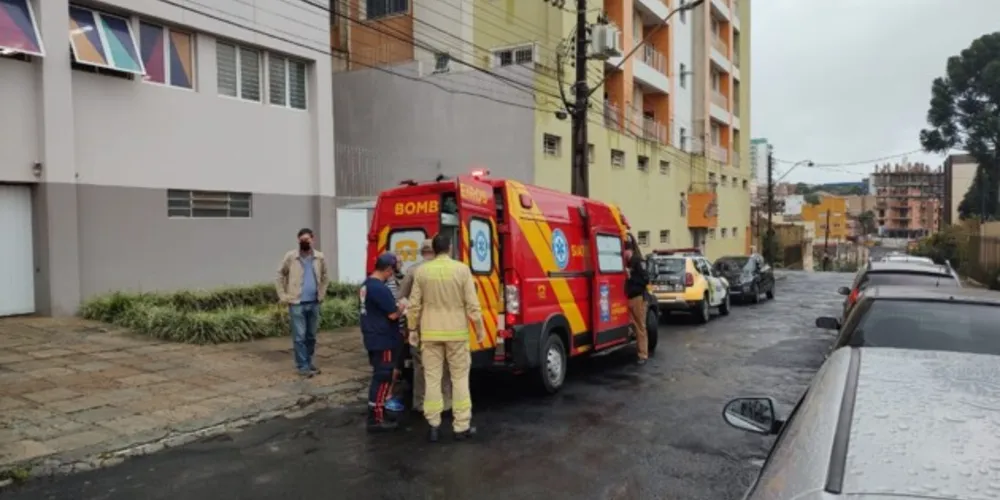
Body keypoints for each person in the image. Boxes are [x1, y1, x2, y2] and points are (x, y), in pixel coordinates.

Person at [407, 234, 485, 442]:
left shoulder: (422, 271)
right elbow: (472, 304)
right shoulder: (462, 270)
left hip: (430, 333)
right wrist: (479, 329)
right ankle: (461, 426)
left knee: (432, 379)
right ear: (450, 248)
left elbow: (414, 305)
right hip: (456, 334)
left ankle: (433, 426)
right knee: (459, 379)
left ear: (433, 249)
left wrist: (412, 329)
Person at [398, 240, 453, 415]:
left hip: (420, 325)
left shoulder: (413, 271)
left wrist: (408, 319)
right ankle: (446, 401)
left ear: (422, 252)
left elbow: (401, 298)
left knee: (421, 365)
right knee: (444, 363)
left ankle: (420, 402)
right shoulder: (450, 270)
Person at [276, 228, 330, 378]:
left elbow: (325, 277)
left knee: (311, 336)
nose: (305, 242)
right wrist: (283, 295)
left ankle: (309, 362)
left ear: (313, 239)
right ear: (298, 241)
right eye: (302, 240)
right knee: (299, 336)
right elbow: (279, 275)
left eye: (307, 239)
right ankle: (303, 366)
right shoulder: (291, 257)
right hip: (296, 302)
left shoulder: (319, 257)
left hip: (314, 302)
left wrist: (321, 294)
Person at [360, 253, 403, 432]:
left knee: (380, 375)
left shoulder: (366, 284)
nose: (391, 275)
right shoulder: (379, 288)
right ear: (387, 269)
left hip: (373, 336)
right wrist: (402, 308)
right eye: (391, 271)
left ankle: (378, 412)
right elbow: (392, 314)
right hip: (383, 339)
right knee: (383, 376)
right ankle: (375, 419)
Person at [624, 239, 650, 365]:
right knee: (633, 325)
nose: (623, 254)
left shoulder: (638, 261)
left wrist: (631, 277)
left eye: (624, 251)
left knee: (640, 327)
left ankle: (643, 355)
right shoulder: (629, 262)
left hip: (638, 297)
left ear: (628, 251)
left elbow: (646, 279)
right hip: (630, 298)